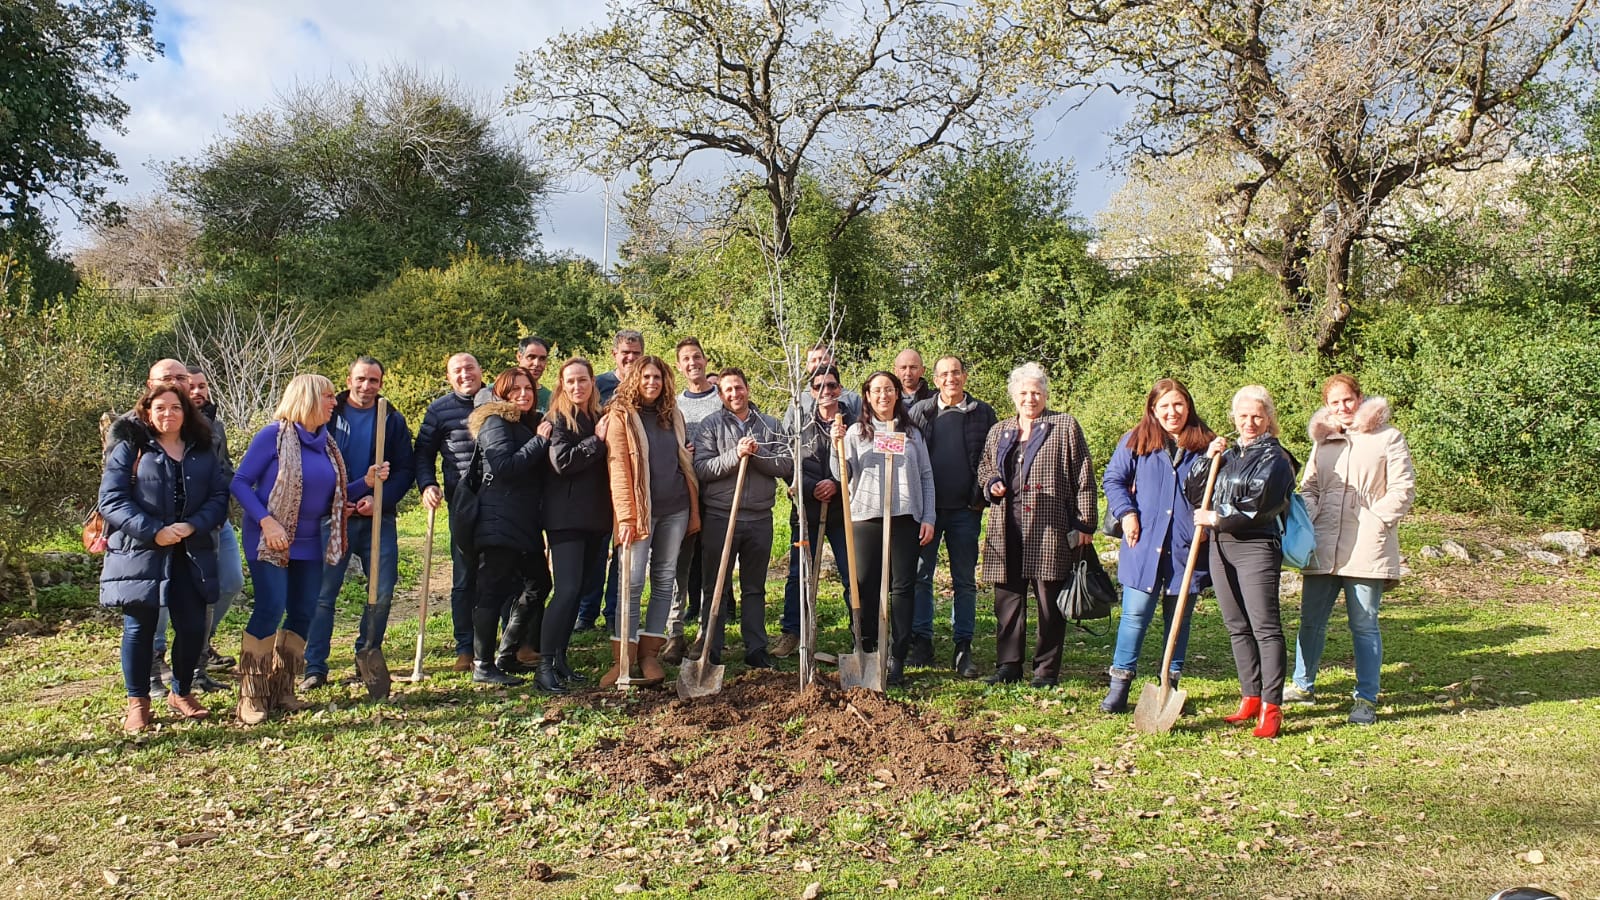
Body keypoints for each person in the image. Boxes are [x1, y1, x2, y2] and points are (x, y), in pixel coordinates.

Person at [231, 374, 387, 724]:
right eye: (329, 397)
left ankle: (282, 688)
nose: (335, 402)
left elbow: (336, 494)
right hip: (268, 537)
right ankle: (251, 696)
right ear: (308, 399)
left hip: (309, 541)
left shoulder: (326, 444)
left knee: (303, 612)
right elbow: (239, 483)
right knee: (271, 606)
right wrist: (266, 522)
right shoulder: (273, 436)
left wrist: (368, 480)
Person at [99, 384, 230, 731]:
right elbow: (110, 500)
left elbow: (220, 496)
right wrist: (154, 530)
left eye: (175, 407)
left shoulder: (202, 449)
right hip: (141, 551)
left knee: (191, 627)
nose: (167, 414)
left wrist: (192, 525)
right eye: (160, 408)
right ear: (147, 412)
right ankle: (138, 703)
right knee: (139, 629)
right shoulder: (131, 448)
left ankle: (181, 691)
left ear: (186, 412)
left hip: (191, 550)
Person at [1288, 374, 1416, 725]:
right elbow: (1310, 486)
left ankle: (1366, 697)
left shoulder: (1387, 437)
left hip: (1367, 545)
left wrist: (1376, 520)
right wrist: (1311, 517)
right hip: (1323, 544)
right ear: (1327, 406)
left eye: (1348, 399)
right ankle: (1303, 685)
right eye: (1334, 402)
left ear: (1359, 398)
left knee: (1364, 624)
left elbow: (1403, 488)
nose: (1343, 407)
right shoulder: (1324, 443)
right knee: (1311, 621)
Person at [1187, 385, 1298, 739]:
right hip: (1221, 547)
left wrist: (1215, 518)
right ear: (1234, 417)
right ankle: (1250, 695)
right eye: (1243, 415)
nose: (1249, 422)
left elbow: (1259, 504)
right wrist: (1207, 457)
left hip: (1255, 546)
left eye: (1257, 416)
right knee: (1237, 625)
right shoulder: (1229, 453)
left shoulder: (1276, 458)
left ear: (1268, 419)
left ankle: (1271, 705)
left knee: (1264, 626)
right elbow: (1194, 492)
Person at [1099, 378, 1216, 713]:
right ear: (1153, 409)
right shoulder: (1136, 440)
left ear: (1188, 405)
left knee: (1178, 619)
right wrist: (1126, 514)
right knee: (1134, 615)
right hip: (1144, 541)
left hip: (1185, 546)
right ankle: (1119, 687)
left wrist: (1208, 520)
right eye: (1164, 406)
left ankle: (1170, 684)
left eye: (1178, 404)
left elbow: (1219, 487)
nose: (1172, 412)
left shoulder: (1206, 444)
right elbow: (1114, 479)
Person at [975, 363, 1096, 688]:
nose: (1030, 398)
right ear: (1014, 396)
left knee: (1049, 601)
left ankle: (1045, 670)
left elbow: (1083, 474)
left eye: (1036, 392)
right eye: (1024, 393)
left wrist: (1085, 522)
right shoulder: (999, 430)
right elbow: (985, 466)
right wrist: (992, 483)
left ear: (1045, 394)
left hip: (1049, 527)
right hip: (1006, 526)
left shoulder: (1063, 426)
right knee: (1008, 601)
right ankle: (1008, 665)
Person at [302, 357, 416, 690]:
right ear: (349, 379)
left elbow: (405, 470)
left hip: (377, 518)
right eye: (361, 379)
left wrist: (380, 501)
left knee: (381, 592)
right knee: (323, 595)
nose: (366, 387)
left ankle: (366, 654)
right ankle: (315, 666)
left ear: (381, 383)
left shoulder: (391, 420)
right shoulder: (326, 415)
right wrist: (335, 501)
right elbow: (310, 465)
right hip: (333, 517)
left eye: (374, 381)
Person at [831, 371, 936, 686]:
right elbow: (841, 473)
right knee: (863, 585)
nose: (883, 396)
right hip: (866, 516)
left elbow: (927, 477)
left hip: (905, 517)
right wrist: (836, 443)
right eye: (876, 390)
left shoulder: (912, 433)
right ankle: (865, 646)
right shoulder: (854, 433)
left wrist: (928, 516)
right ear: (866, 395)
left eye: (889, 390)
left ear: (897, 394)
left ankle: (897, 655)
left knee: (902, 587)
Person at [604, 355, 700, 686]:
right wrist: (627, 516)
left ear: (665, 382)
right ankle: (623, 659)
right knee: (630, 582)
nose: (651, 382)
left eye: (657, 377)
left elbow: (681, 456)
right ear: (635, 379)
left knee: (664, 579)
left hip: (675, 508)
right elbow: (618, 469)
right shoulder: (621, 417)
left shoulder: (672, 414)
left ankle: (649, 655)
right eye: (645, 377)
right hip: (639, 513)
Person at [692, 367, 793, 669]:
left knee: (754, 586)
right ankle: (711, 647)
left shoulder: (769, 424)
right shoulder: (710, 426)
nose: (735, 394)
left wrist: (758, 454)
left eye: (739, 387)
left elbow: (786, 464)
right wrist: (735, 455)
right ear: (721, 395)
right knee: (716, 585)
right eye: (728, 390)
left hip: (759, 518)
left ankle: (756, 648)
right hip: (722, 516)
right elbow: (702, 469)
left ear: (747, 388)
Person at [907, 356, 997, 676]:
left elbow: (992, 457)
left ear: (965, 376)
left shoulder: (983, 413)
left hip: (965, 511)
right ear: (935, 379)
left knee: (964, 580)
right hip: (927, 513)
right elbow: (908, 457)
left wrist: (978, 498)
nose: (951, 378)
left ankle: (963, 647)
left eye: (956, 372)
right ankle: (922, 641)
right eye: (944, 374)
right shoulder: (921, 412)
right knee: (920, 577)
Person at [465, 367, 555, 687]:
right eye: (514, 389)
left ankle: (506, 653)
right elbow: (504, 467)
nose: (523, 394)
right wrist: (540, 442)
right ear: (501, 394)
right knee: (491, 592)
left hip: (523, 522)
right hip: (498, 520)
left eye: (528, 388)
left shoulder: (525, 424)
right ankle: (483, 664)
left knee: (539, 583)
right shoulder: (495, 421)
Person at [414, 353, 495, 672]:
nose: (465, 375)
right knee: (464, 577)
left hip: (498, 499)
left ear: (480, 370)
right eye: (457, 371)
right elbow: (422, 453)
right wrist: (427, 484)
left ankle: (496, 646)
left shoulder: (496, 400)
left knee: (499, 574)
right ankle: (464, 646)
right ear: (449, 377)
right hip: (461, 502)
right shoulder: (439, 410)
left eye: (470, 368)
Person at [541, 358, 614, 690]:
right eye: (570, 381)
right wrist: (596, 442)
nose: (577, 386)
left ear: (592, 383)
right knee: (566, 589)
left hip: (595, 518)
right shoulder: (557, 419)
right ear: (562, 384)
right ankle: (544, 666)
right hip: (565, 518)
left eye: (582, 380)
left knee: (578, 591)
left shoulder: (598, 417)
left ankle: (560, 659)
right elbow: (563, 462)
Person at [773, 364, 855, 658]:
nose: (826, 392)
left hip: (844, 511)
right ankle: (793, 632)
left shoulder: (855, 423)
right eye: (819, 386)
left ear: (840, 389)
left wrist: (835, 483)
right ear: (810, 392)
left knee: (852, 575)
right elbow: (787, 464)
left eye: (831, 385)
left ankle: (861, 634)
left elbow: (860, 463)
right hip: (807, 510)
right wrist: (810, 486)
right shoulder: (799, 425)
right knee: (799, 574)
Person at [577, 330, 645, 632]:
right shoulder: (599, 384)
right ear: (614, 354)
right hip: (598, 476)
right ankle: (586, 611)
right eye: (625, 352)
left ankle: (616, 611)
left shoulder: (647, 384)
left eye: (635, 352)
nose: (630, 358)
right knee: (596, 549)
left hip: (632, 478)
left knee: (624, 545)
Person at [664, 337, 722, 662]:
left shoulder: (721, 399)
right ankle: (675, 634)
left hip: (715, 493)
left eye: (696, 357)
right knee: (679, 566)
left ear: (705, 358)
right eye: (685, 359)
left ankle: (707, 632)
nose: (692, 363)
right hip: (683, 494)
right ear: (679, 365)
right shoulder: (673, 404)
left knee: (712, 565)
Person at [516, 335, 554, 413]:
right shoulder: (497, 390)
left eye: (542, 359)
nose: (537, 364)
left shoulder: (551, 399)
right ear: (519, 357)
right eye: (531, 357)